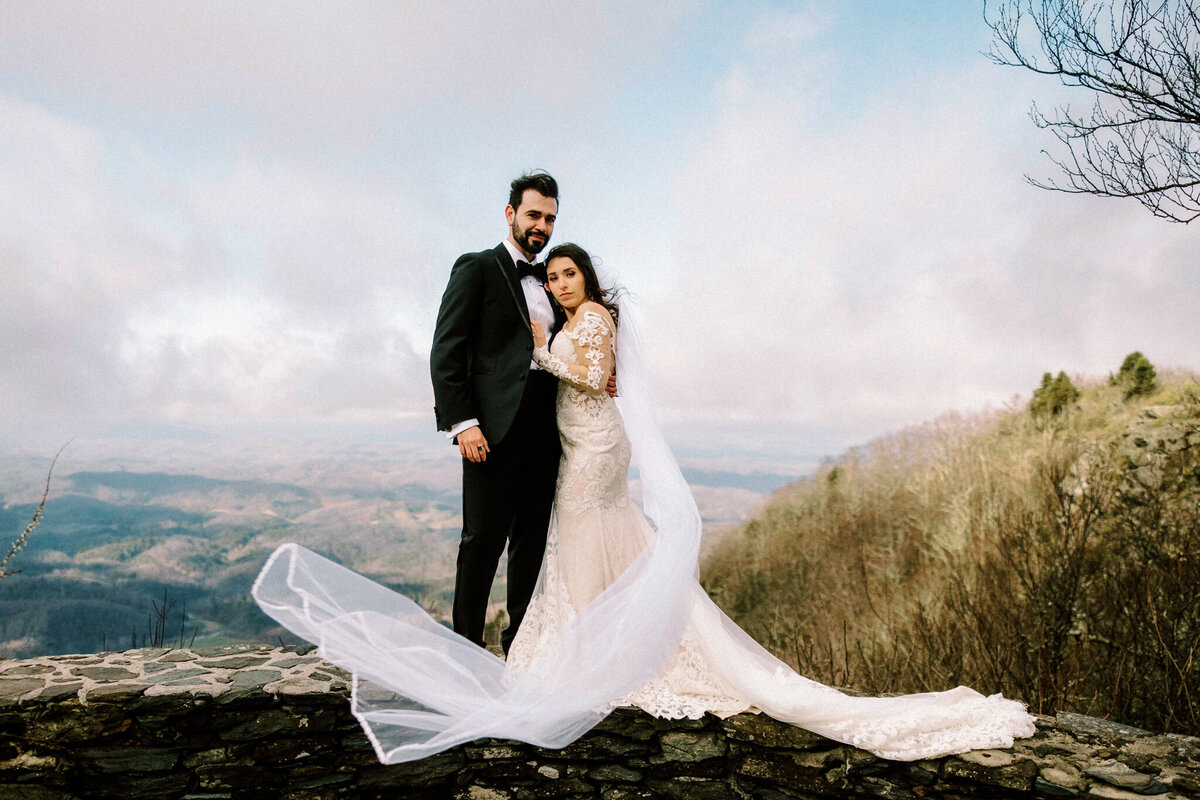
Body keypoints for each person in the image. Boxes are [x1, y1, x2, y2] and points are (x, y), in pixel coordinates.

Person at [252, 245, 1036, 765]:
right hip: (590, 452)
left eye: (568, 274)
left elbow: (594, 380)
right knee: (590, 543)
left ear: (586, 279)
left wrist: (537, 350)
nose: (560, 285)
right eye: (552, 277)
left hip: (593, 455)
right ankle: (598, 639)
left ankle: (592, 652)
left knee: (584, 537)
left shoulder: (589, 323)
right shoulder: (581, 318)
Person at [428, 171, 564, 654]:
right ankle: (464, 652)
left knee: (529, 545)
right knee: (481, 542)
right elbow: (447, 350)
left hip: (548, 430)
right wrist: (463, 423)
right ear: (511, 215)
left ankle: (520, 651)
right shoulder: (478, 267)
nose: (541, 226)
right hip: (491, 431)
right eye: (533, 215)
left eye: (549, 218)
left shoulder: (553, 281)